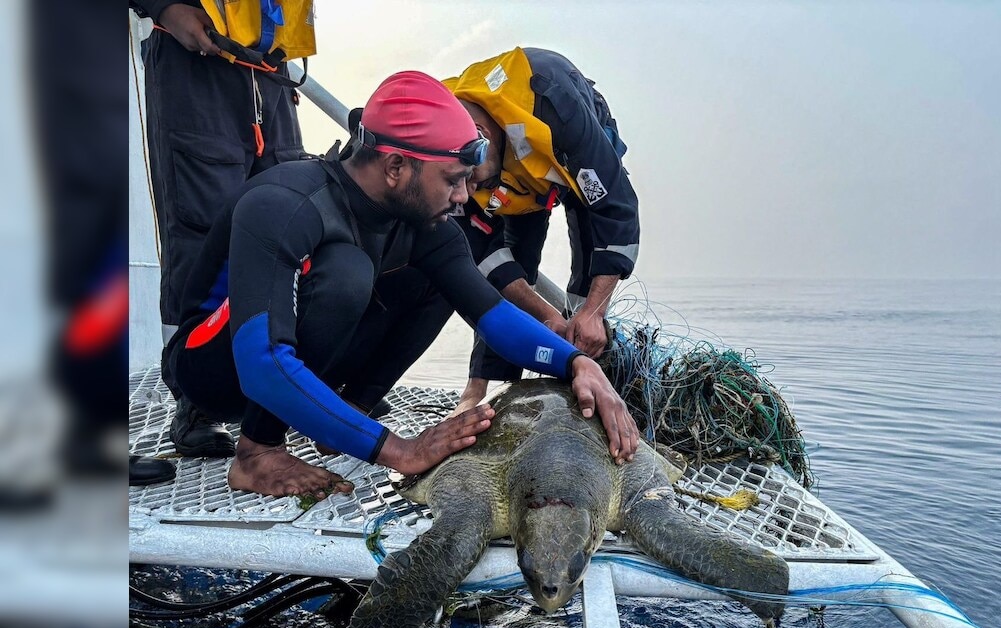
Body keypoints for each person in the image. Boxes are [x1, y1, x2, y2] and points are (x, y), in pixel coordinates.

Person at [163, 71, 639, 499]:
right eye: (453, 180)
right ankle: (257, 452)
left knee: (437, 278)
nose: (462, 198)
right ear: (395, 168)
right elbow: (261, 363)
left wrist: (574, 363)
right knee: (346, 272)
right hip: (214, 370)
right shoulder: (285, 201)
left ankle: (344, 415)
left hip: (287, 363)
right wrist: (399, 451)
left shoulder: (425, 223)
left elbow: (491, 314)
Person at [131, 1, 311, 460]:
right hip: (195, 61)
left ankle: (282, 383)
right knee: (200, 234)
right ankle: (193, 398)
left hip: (270, 71)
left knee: (290, 225)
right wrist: (164, 6)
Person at [442, 48, 640, 414]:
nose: (464, 193)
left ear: (482, 136)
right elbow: (487, 255)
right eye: (457, 181)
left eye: (468, 179)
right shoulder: (451, 147)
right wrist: (547, 316)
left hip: (565, 154)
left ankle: (584, 351)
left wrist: (593, 312)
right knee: (506, 267)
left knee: (589, 261)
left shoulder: (561, 110)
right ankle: (482, 385)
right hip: (511, 182)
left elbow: (617, 209)